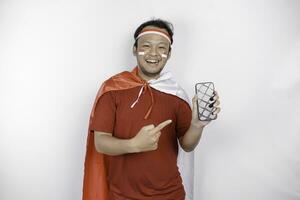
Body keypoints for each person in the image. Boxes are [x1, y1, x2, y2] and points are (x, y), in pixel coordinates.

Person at [82, 18, 221, 200]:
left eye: (162, 47)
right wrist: (134, 144)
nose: (153, 53)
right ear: (134, 49)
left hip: (171, 195)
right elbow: (100, 142)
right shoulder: (112, 89)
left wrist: (197, 124)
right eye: (146, 45)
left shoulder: (176, 94)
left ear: (169, 54)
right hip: (122, 196)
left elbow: (187, 145)